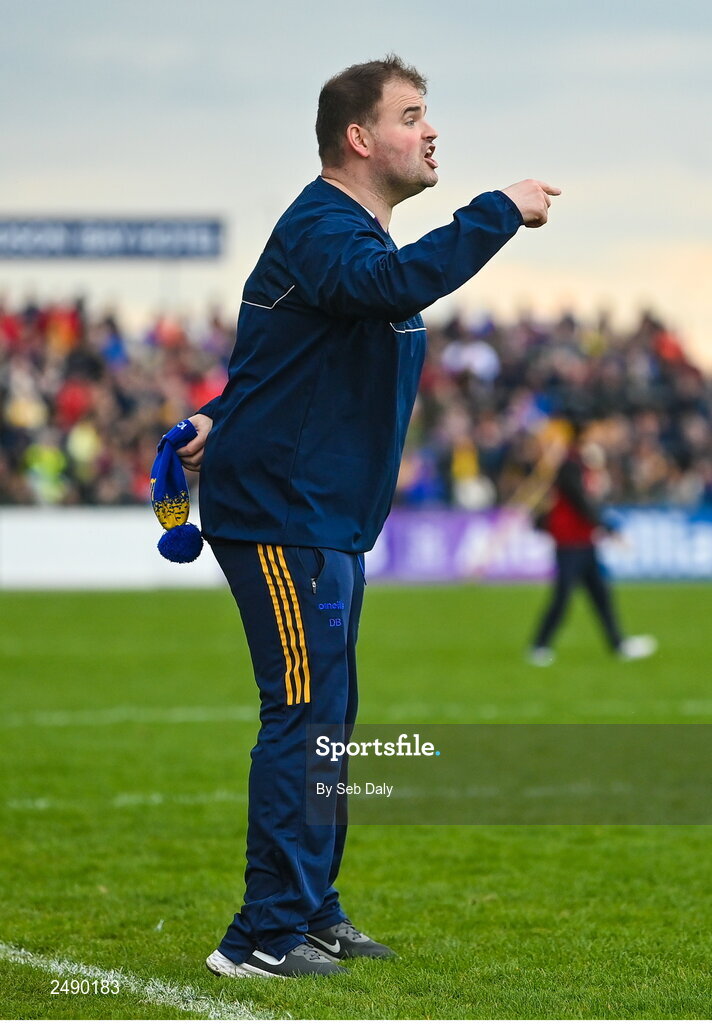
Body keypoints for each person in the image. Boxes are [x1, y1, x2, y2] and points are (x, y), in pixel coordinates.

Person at [177, 54, 560, 979]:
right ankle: (264, 936)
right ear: (360, 138)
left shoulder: (351, 242)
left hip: (324, 518)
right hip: (282, 516)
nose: (432, 132)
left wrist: (214, 417)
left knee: (327, 723)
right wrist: (496, 210)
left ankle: (311, 909)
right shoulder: (325, 226)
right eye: (412, 115)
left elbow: (289, 360)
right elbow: (388, 293)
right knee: (303, 717)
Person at [528, 420, 657, 666]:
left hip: (584, 540)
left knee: (600, 595)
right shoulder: (569, 464)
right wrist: (608, 528)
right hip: (570, 541)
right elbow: (580, 502)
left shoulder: (581, 462)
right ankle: (539, 646)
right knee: (563, 596)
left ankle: (618, 644)